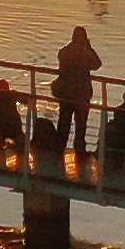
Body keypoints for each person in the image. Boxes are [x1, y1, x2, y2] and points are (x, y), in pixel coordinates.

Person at [53, 26, 101, 159]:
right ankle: (79, 150)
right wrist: (90, 48)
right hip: (81, 94)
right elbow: (97, 64)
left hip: (66, 93)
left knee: (64, 122)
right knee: (81, 125)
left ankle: (59, 148)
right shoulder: (85, 53)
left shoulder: (63, 52)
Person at [0, 78, 27, 166]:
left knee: (0, 142)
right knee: (21, 141)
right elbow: (25, 100)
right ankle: (21, 163)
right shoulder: (11, 95)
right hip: (13, 125)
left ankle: (1, 161)